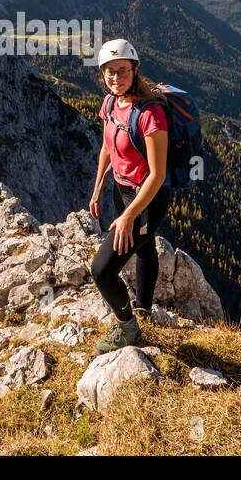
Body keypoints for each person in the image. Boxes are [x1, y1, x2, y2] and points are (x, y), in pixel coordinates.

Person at [88, 38, 170, 354]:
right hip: (122, 191)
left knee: (102, 269)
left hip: (148, 199)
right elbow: (108, 148)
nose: (115, 77)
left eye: (122, 71)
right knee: (144, 247)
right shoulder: (111, 103)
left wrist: (129, 216)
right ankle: (144, 308)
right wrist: (97, 188)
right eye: (109, 71)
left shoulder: (150, 115)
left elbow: (158, 174)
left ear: (135, 70)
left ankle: (129, 328)